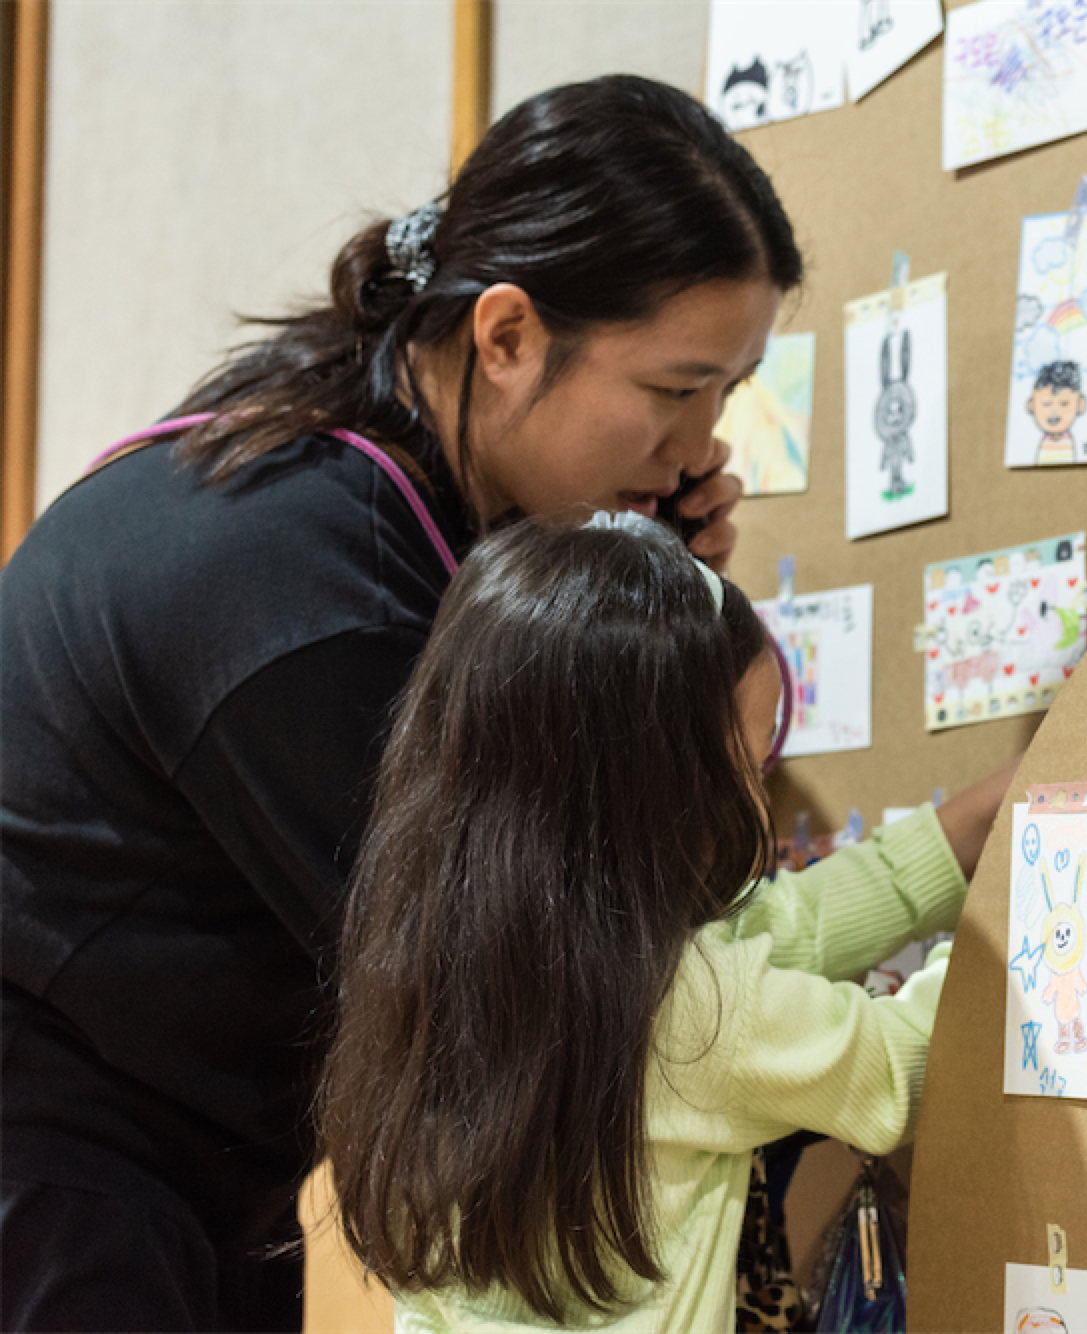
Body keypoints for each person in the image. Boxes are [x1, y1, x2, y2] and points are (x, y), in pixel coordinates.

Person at [0, 76, 1017, 1332]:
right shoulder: (304, 589)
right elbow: (623, 974)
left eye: (729, 391)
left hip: (199, 1148)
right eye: (673, 388)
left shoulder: (406, 495)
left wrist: (662, 604)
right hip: (63, 1150)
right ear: (505, 336)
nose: (703, 445)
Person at [318, 514, 1002, 1332]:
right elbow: (903, 1069)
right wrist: (1041, 905)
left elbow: (787, 926)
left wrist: (967, 829)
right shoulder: (693, 1011)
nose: (762, 799)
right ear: (652, 791)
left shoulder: (447, 955)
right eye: (749, 768)